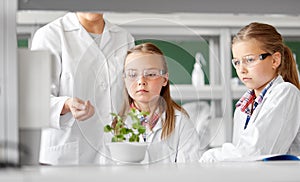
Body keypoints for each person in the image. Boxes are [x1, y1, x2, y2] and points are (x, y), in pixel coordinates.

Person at [31, 12, 134, 165]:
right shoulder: (50, 35)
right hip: (67, 157)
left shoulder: (124, 38)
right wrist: (66, 105)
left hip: (115, 154)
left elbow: (131, 93)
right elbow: (35, 100)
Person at [200, 22, 300, 162]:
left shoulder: (286, 93)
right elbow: (241, 161)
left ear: (275, 60)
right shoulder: (243, 107)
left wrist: (210, 155)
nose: (241, 69)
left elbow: (254, 153)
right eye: (237, 62)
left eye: (249, 60)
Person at [106, 42, 201, 163]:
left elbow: (190, 173)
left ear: (165, 79)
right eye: (132, 74)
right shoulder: (115, 126)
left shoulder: (181, 123)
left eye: (150, 74)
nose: (141, 81)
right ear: (124, 79)